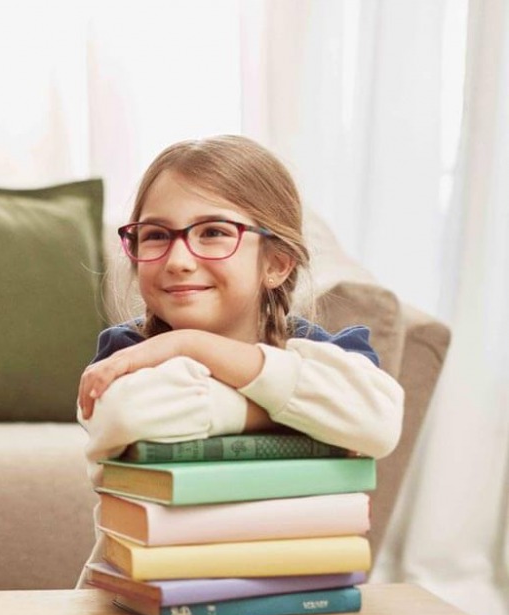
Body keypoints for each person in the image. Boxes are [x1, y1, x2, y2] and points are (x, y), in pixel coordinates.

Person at [74, 135, 404, 584]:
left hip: (292, 595)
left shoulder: (328, 352)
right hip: (141, 598)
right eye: (155, 236)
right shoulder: (126, 354)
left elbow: (378, 421)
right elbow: (132, 415)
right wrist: (287, 410)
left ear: (277, 263)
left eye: (212, 233)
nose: (178, 260)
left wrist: (193, 347)